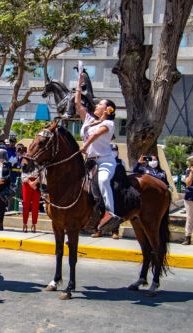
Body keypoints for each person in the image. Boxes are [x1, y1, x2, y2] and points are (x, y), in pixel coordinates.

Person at [74, 71, 120, 231]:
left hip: (105, 160)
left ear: (108, 110)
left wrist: (85, 146)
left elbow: (97, 134)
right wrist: (79, 84)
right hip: (90, 162)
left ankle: (110, 213)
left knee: (103, 181)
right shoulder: (89, 120)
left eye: (100, 104)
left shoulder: (109, 124)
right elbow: (77, 104)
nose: (97, 105)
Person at [91, 143, 124, 239]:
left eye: (115, 149)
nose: (114, 151)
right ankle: (99, 230)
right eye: (112, 149)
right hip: (103, 188)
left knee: (114, 210)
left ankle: (115, 231)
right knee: (101, 209)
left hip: (115, 188)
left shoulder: (120, 162)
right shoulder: (103, 161)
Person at [21, 159, 41, 233]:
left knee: (35, 206)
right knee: (26, 204)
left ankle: (34, 224)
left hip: (36, 184)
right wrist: (30, 183)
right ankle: (25, 223)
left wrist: (35, 182)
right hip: (27, 184)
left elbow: (42, 174)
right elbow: (23, 175)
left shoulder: (39, 164)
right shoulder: (25, 164)